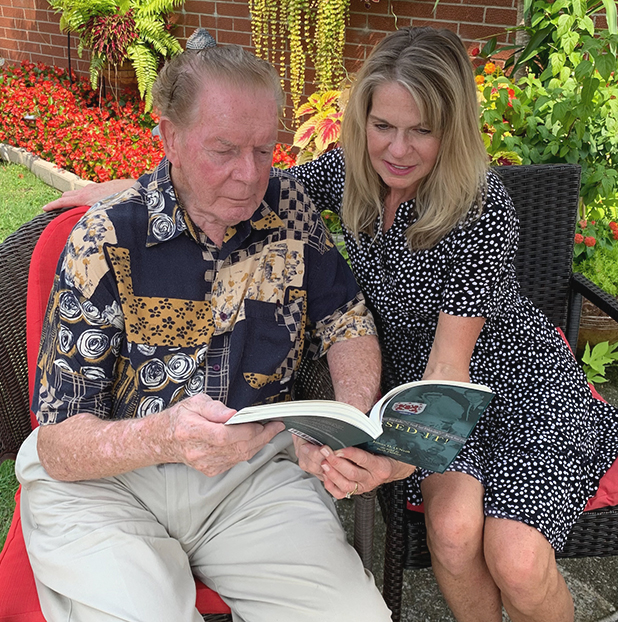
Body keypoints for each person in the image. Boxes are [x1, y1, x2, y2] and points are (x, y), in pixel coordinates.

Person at [43, 27, 618, 622]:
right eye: (383, 125)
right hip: (423, 385)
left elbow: (450, 371)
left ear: (453, 130)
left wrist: (395, 462)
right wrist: (132, 189)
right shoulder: (353, 175)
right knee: (451, 535)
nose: (397, 148)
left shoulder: (479, 209)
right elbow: (248, 182)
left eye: (422, 129)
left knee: (517, 558)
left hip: (501, 385)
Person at [17, 43, 406, 622]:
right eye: (223, 150)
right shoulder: (105, 239)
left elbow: (347, 322)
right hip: (112, 480)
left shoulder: (289, 209)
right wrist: (166, 437)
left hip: (249, 483)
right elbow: (60, 446)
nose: (249, 175)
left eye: (263, 150)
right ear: (170, 137)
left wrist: (344, 423)